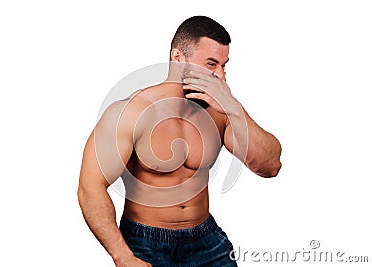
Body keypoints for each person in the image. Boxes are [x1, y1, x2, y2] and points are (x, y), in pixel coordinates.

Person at [78, 16, 282, 267]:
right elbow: (90, 188)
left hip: (206, 241)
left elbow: (270, 166)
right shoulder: (131, 112)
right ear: (178, 58)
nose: (220, 75)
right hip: (145, 243)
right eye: (211, 64)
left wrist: (234, 108)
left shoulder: (220, 112)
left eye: (223, 65)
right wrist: (122, 255)